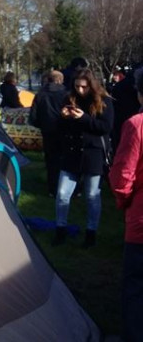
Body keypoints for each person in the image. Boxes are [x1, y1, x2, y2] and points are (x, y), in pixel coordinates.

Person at [53, 68, 114, 248]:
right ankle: (60, 229)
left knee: (91, 195)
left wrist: (84, 118)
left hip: (93, 153)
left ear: (92, 86)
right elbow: (60, 128)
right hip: (72, 153)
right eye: (77, 86)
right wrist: (63, 118)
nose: (80, 90)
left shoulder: (104, 101)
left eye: (84, 87)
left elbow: (106, 127)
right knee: (62, 194)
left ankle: (91, 233)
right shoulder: (69, 98)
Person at [109, 69, 143, 342]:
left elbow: (122, 177)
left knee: (136, 287)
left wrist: (123, 202)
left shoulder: (136, 125)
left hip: (141, 221)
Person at [29, 70, 69, 196]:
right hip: (65, 130)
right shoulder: (66, 94)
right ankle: (68, 188)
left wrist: (42, 125)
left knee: (51, 160)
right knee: (66, 159)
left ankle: (52, 188)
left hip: (48, 131)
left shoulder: (40, 95)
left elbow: (33, 116)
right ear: (61, 80)